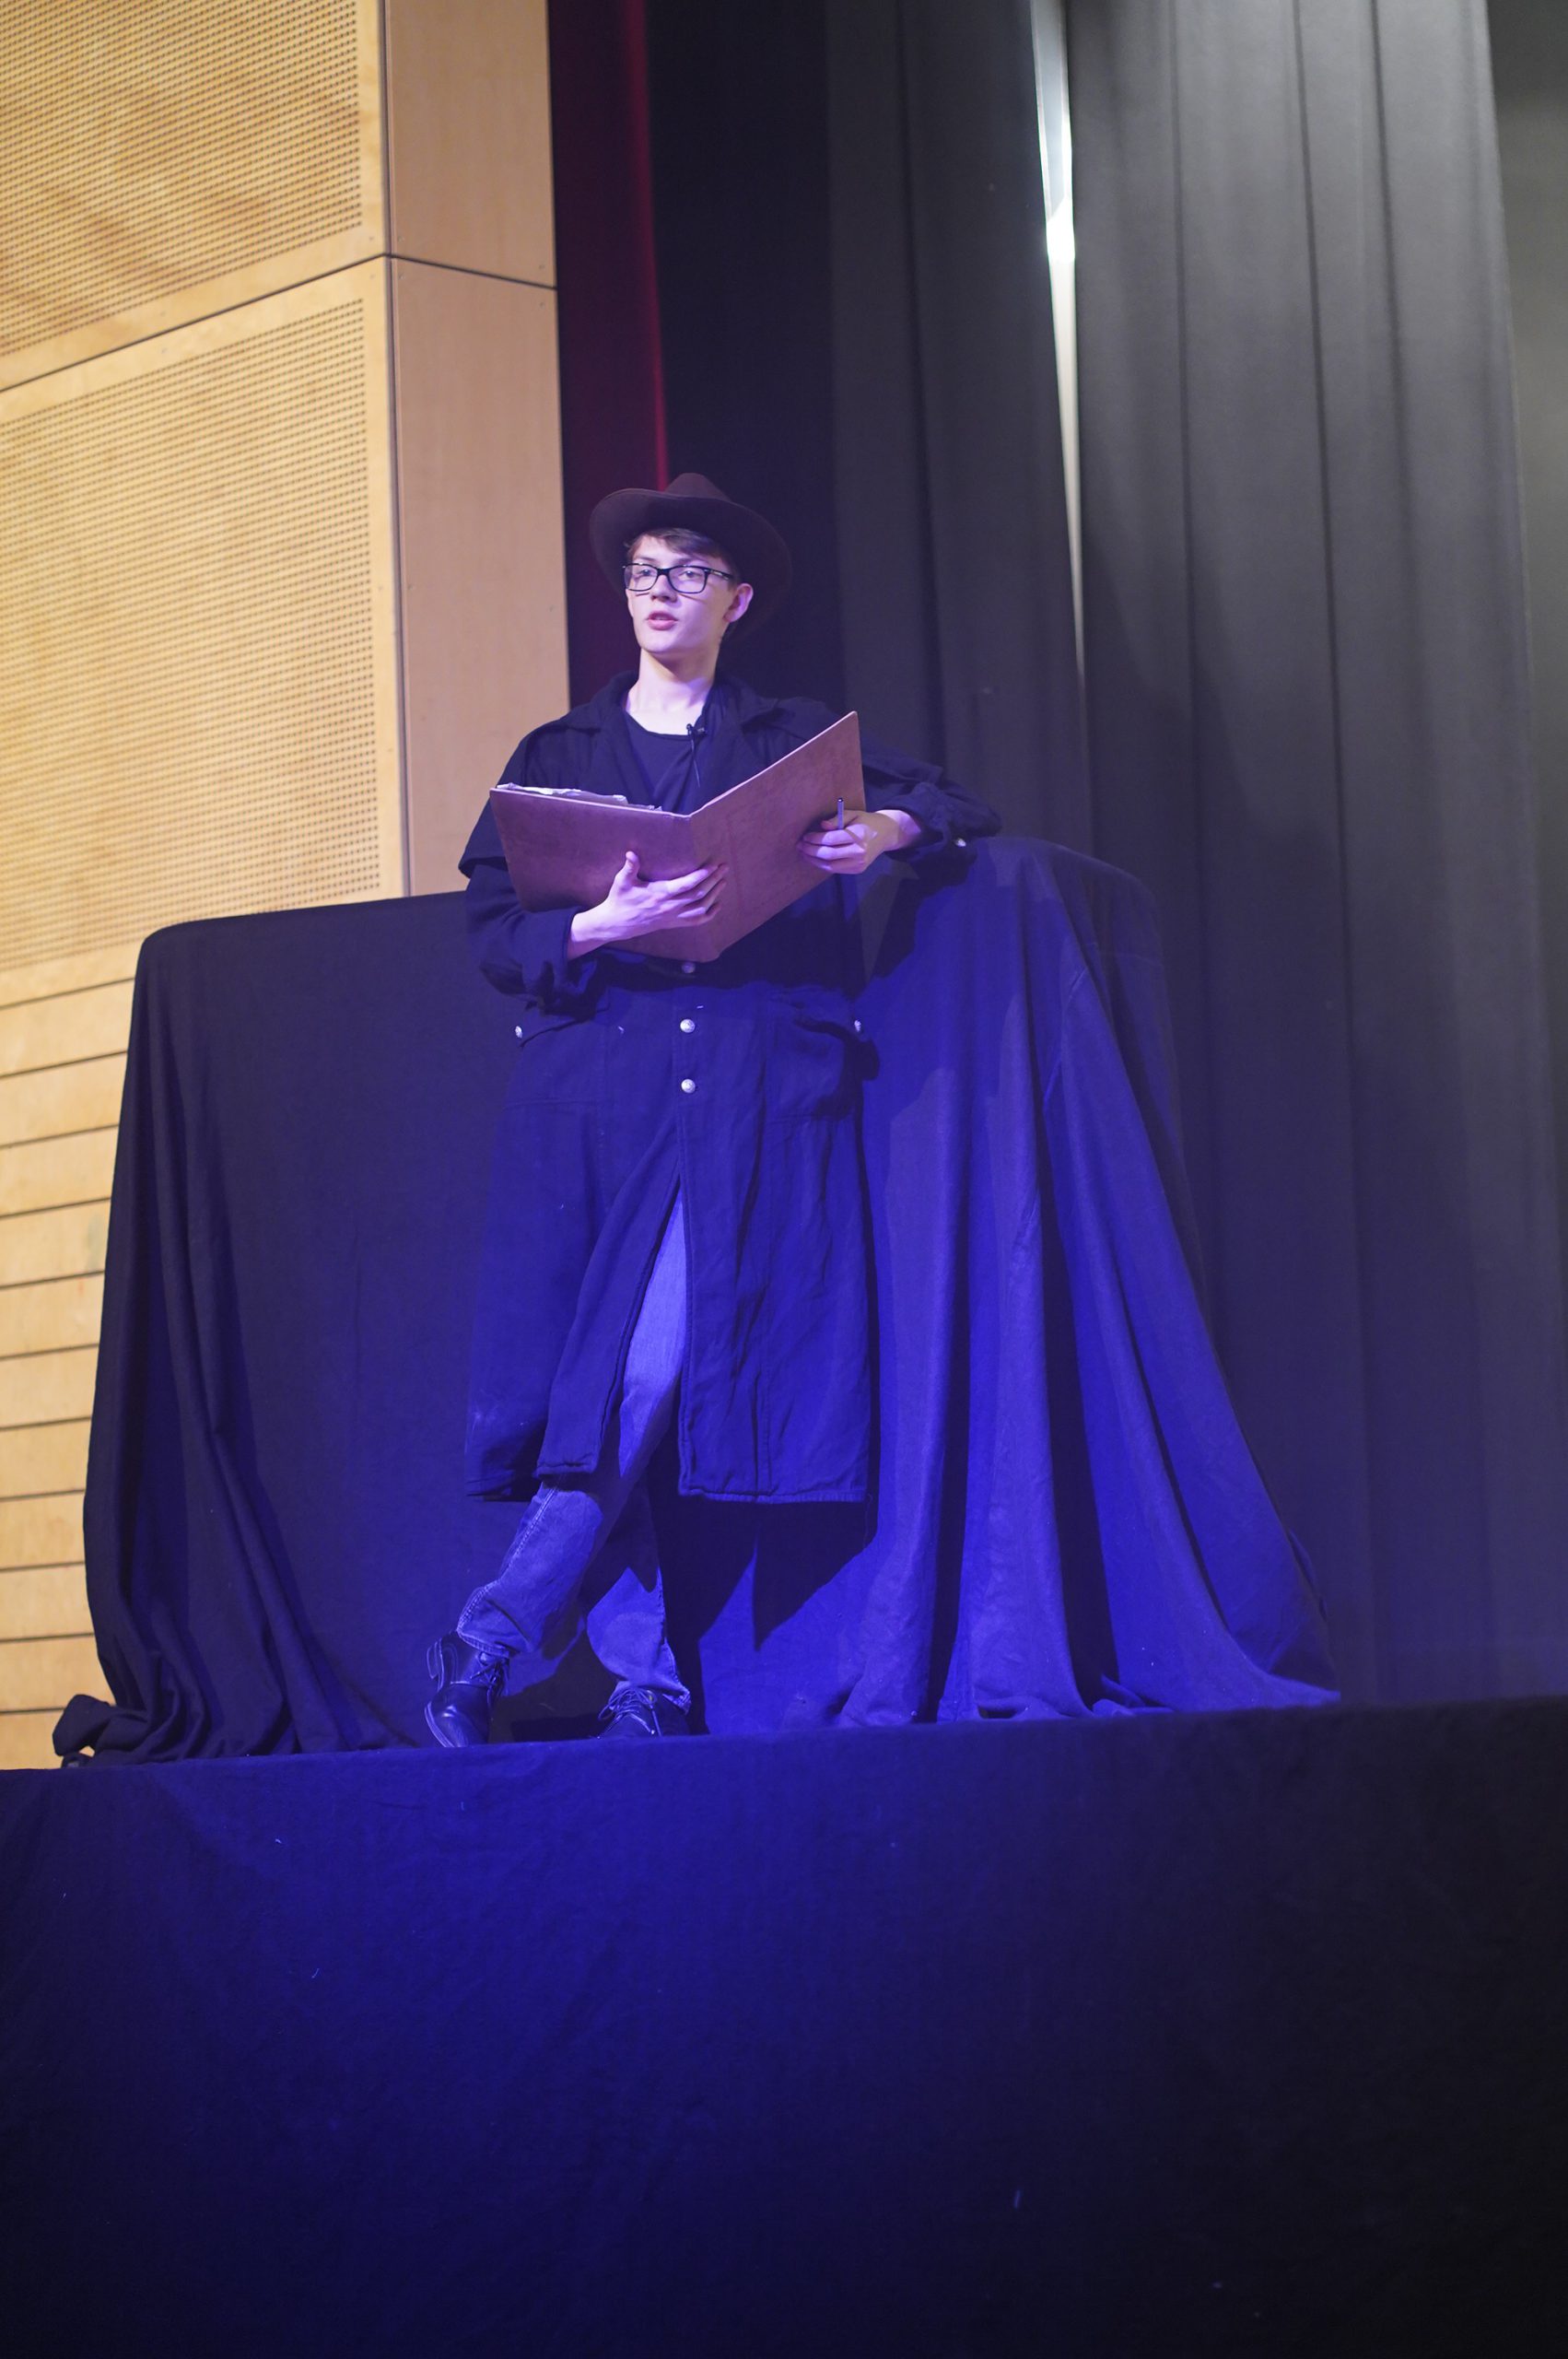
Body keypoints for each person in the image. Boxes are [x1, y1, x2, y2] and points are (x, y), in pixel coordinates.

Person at [426, 474, 999, 1745]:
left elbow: (958, 806)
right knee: (597, 1386)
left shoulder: (790, 743)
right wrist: (602, 923)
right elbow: (492, 931)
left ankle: (493, 1631)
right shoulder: (557, 755)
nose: (660, 592)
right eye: (643, 571)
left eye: (688, 573)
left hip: (745, 1098)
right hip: (595, 1105)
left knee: (645, 1371)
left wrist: (881, 831)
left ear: (733, 600)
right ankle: (648, 1681)